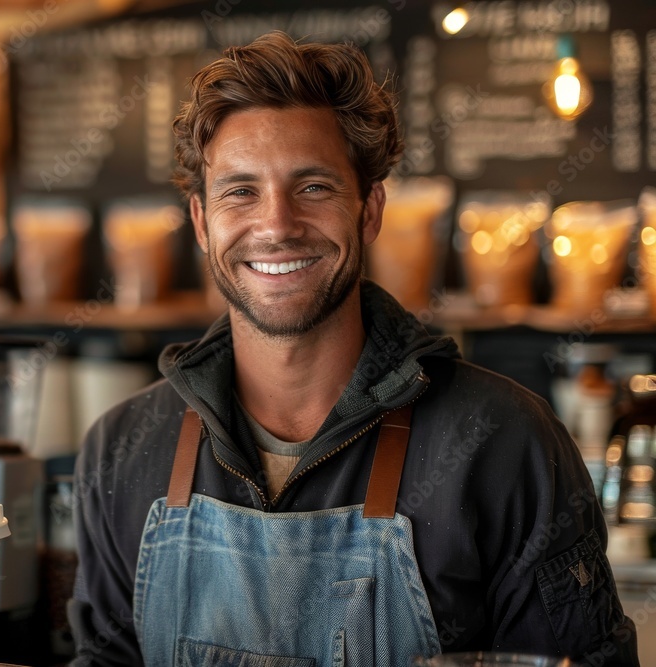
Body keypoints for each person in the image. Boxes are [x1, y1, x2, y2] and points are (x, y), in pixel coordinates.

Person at [67, 31, 639, 666]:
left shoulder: (503, 443)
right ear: (202, 223)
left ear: (369, 210)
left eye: (313, 187)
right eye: (240, 191)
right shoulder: (122, 451)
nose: (277, 224)